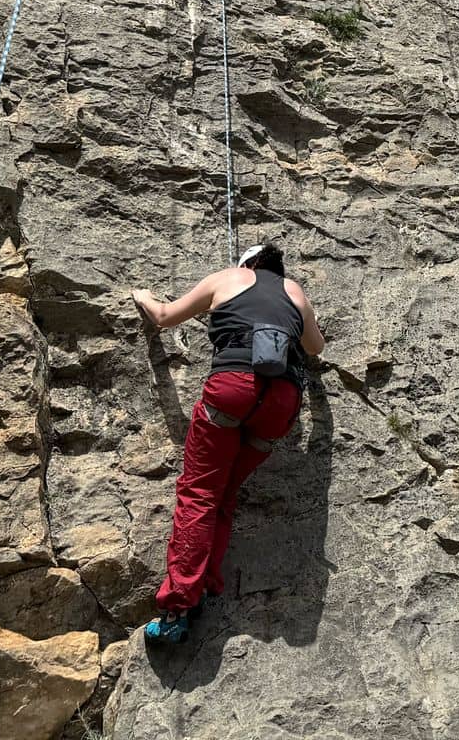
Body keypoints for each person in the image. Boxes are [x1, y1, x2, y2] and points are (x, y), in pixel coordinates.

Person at [132, 241, 325, 644]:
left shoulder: (228, 278)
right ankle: (205, 581)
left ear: (247, 264)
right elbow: (316, 347)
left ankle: (179, 605)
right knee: (224, 495)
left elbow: (165, 317)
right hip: (280, 406)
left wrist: (142, 296)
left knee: (200, 492)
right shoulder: (295, 291)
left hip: (233, 389)